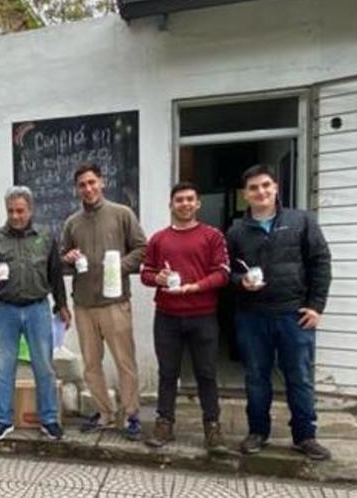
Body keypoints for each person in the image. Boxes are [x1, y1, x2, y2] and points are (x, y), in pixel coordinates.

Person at [226, 164, 333, 461]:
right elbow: (226, 274)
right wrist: (240, 281)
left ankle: (305, 435)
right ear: (245, 195)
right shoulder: (237, 231)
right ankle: (258, 431)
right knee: (256, 377)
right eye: (253, 188)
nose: (260, 192)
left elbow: (321, 262)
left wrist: (316, 306)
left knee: (299, 376)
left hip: (293, 314)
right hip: (252, 316)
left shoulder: (301, 221)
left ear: (275, 188)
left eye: (265, 186)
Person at [0, 186, 71, 442]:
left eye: (20, 211)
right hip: (5, 309)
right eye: (11, 211)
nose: (15, 216)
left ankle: (49, 419)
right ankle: (3, 420)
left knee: (44, 366)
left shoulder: (45, 238)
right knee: (4, 367)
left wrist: (62, 305)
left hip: (38, 308)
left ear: (30, 210)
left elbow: (55, 274)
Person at [140, 182, 229, 452]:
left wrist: (196, 286)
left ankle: (212, 427)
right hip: (167, 316)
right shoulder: (158, 239)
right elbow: (145, 274)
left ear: (198, 203)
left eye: (190, 199)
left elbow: (223, 273)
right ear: (171, 205)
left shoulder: (212, 236)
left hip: (203, 315)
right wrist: (159, 277)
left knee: (206, 373)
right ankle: (164, 423)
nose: (185, 204)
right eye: (179, 200)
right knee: (167, 373)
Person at [60, 162, 147, 439]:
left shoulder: (122, 214)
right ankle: (104, 413)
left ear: (102, 182)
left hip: (115, 303)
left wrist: (120, 266)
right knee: (91, 364)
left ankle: (131, 413)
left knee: (125, 361)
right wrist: (69, 259)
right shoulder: (71, 223)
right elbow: (62, 261)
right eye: (82, 185)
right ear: (77, 189)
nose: (88, 189)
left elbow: (143, 248)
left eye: (91, 182)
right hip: (84, 304)